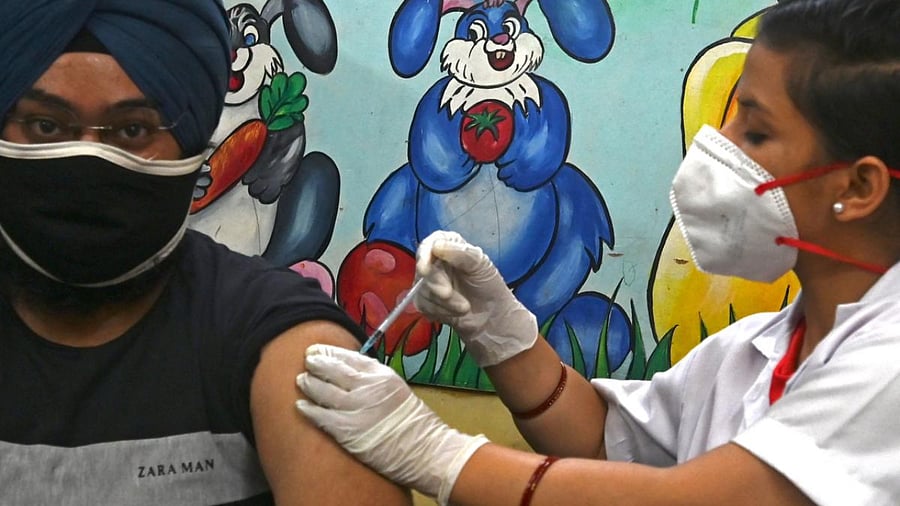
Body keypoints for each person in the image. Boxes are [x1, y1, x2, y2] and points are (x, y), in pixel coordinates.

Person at [295, 0, 900, 504]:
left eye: (757, 132)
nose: (716, 148)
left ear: (858, 186)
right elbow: (605, 441)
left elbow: (700, 498)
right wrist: (499, 332)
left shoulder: (888, 365)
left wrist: (433, 453)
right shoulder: (750, 353)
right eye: (729, 119)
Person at [0, 2, 411, 505]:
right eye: (46, 126)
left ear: (192, 142)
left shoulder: (280, 342)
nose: (89, 157)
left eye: (133, 131)